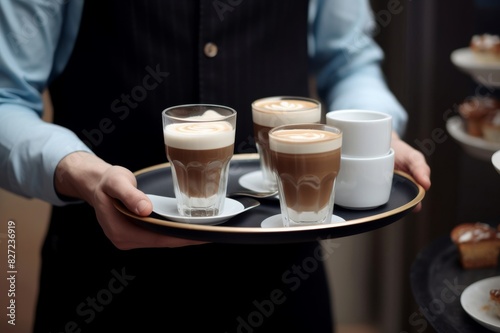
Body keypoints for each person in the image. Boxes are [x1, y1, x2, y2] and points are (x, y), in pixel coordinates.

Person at [0, 0, 431, 332]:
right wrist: (76, 169)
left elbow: (350, 60)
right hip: (98, 279)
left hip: (285, 281)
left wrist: (373, 135)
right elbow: (5, 100)